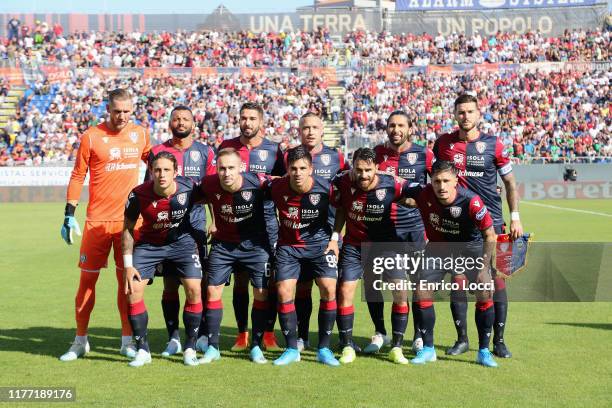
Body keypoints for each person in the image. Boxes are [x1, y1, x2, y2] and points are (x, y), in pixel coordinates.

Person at [59, 88, 150, 362]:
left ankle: (126, 341)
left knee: (127, 283)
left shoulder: (141, 134)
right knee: (87, 281)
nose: (122, 116)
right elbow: (78, 175)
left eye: (126, 111)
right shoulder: (91, 136)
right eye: (117, 111)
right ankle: (80, 340)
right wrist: (68, 212)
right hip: (96, 222)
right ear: (107, 110)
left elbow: (158, 164)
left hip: (129, 224)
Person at [433, 93, 523, 358]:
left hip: (491, 222)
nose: (465, 116)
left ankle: (499, 340)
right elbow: (437, 178)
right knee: (458, 281)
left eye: (470, 112)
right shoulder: (443, 144)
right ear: (455, 114)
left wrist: (515, 215)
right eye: (461, 112)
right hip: (457, 225)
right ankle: (462, 339)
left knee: (493, 281)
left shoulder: (493, 145)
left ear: (478, 114)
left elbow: (509, 183)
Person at [402, 160, 499, 367]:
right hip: (438, 248)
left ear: (456, 180)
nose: (441, 186)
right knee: (421, 292)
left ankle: (483, 351)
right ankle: (428, 349)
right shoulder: (423, 193)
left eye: (446, 180)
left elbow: (490, 235)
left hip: (470, 249)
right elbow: (397, 184)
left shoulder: (471, 202)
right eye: (437, 181)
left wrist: (483, 268)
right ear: (431, 181)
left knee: (484, 292)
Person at [327, 147, 414, 365]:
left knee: (400, 292)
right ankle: (347, 346)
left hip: (387, 247)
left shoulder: (391, 183)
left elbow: (416, 195)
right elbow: (339, 210)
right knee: (345, 290)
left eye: (368, 170)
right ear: (352, 167)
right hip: (354, 246)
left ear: (377, 168)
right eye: (359, 170)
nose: (363, 175)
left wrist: (411, 201)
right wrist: (335, 238)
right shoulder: (342, 181)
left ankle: (396, 346)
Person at [146, 105, 215, 358]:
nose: (181, 122)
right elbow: (147, 191)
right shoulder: (156, 152)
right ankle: (173, 337)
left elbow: (212, 191)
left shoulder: (205, 152)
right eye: (177, 118)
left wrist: (214, 221)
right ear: (170, 123)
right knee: (170, 283)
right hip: (166, 227)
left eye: (186, 119)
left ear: (193, 124)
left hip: (195, 226)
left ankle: (201, 334)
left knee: (199, 282)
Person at [122, 151, 203, 367]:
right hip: (149, 246)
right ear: (151, 172)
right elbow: (128, 229)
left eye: (167, 170)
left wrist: (213, 222)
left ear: (176, 172)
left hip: (182, 245)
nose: (162, 174)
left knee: (194, 289)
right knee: (133, 290)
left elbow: (213, 196)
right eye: (157, 170)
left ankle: (190, 348)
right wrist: (128, 266)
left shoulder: (190, 188)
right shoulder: (138, 194)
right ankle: (143, 350)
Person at [219, 102, 285, 352]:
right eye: (243, 118)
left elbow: (282, 184)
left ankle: (268, 333)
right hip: (235, 223)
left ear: (261, 121)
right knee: (240, 281)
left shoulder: (274, 149)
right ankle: (241, 333)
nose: (247, 123)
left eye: (252, 118)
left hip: (267, 224)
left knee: (270, 282)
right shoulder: (227, 147)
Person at [196, 148, 272, 365]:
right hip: (223, 245)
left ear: (241, 168)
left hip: (255, 245)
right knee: (212, 291)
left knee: (261, 292)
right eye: (222, 168)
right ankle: (213, 347)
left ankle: (256, 346)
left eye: (231, 168)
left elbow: (284, 184)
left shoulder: (258, 182)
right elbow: (186, 195)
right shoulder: (208, 184)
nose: (226, 173)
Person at [367, 110, 432, 354]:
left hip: (414, 231)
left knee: (417, 285)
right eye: (392, 125)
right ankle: (380, 331)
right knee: (375, 285)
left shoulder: (424, 154)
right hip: (381, 231)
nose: (396, 130)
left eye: (401, 125)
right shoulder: (376, 154)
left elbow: (434, 188)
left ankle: (417, 335)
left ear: (410, 128)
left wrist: (417, 203)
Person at [269, 146, 339, 366]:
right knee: (283, 290)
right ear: (287, 169)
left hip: (319, 247)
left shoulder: (326, 189)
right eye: (293, 168)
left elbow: (342, 210)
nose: (297, 172)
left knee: (328, 287)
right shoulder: (276, 187)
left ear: (311, 169)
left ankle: (324, 349)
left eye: (302, 168)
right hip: (289, 247)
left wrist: (335, 239)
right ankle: (291, 349)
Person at [291, 112, 349, 352]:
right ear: (299, 131)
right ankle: (302, 337)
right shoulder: (290, 156)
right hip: (299, 236)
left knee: (330, 287)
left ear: (322, 130)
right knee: (302, 288)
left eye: (315, 127)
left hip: (329, 235)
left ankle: (330, 339)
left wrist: (337, 234)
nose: (311, 132)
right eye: (306, 128)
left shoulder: (336, 157)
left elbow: (346, 193)